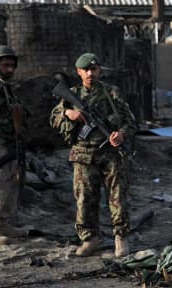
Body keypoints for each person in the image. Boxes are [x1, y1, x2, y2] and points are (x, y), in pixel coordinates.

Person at [50, 53, 137, 257]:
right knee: (85, 199)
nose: (90, 73)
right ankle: (90, 238)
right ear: (79, 72)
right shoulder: (71, 94)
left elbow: (130, 121)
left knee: (118, 197)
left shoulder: (111, 93)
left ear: (99, 71)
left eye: (94, 69)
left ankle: (120, 237)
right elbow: (53, 118)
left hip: (110, 153)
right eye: (86, 70)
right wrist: (67, 114)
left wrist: (122, 134)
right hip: (83, 154)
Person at [0, 45, 28, 245]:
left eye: (12, 65)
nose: (10, 69)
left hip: (8, 144)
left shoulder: (4, 86)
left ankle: (3, 224)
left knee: (9, 185)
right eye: (5, 65)